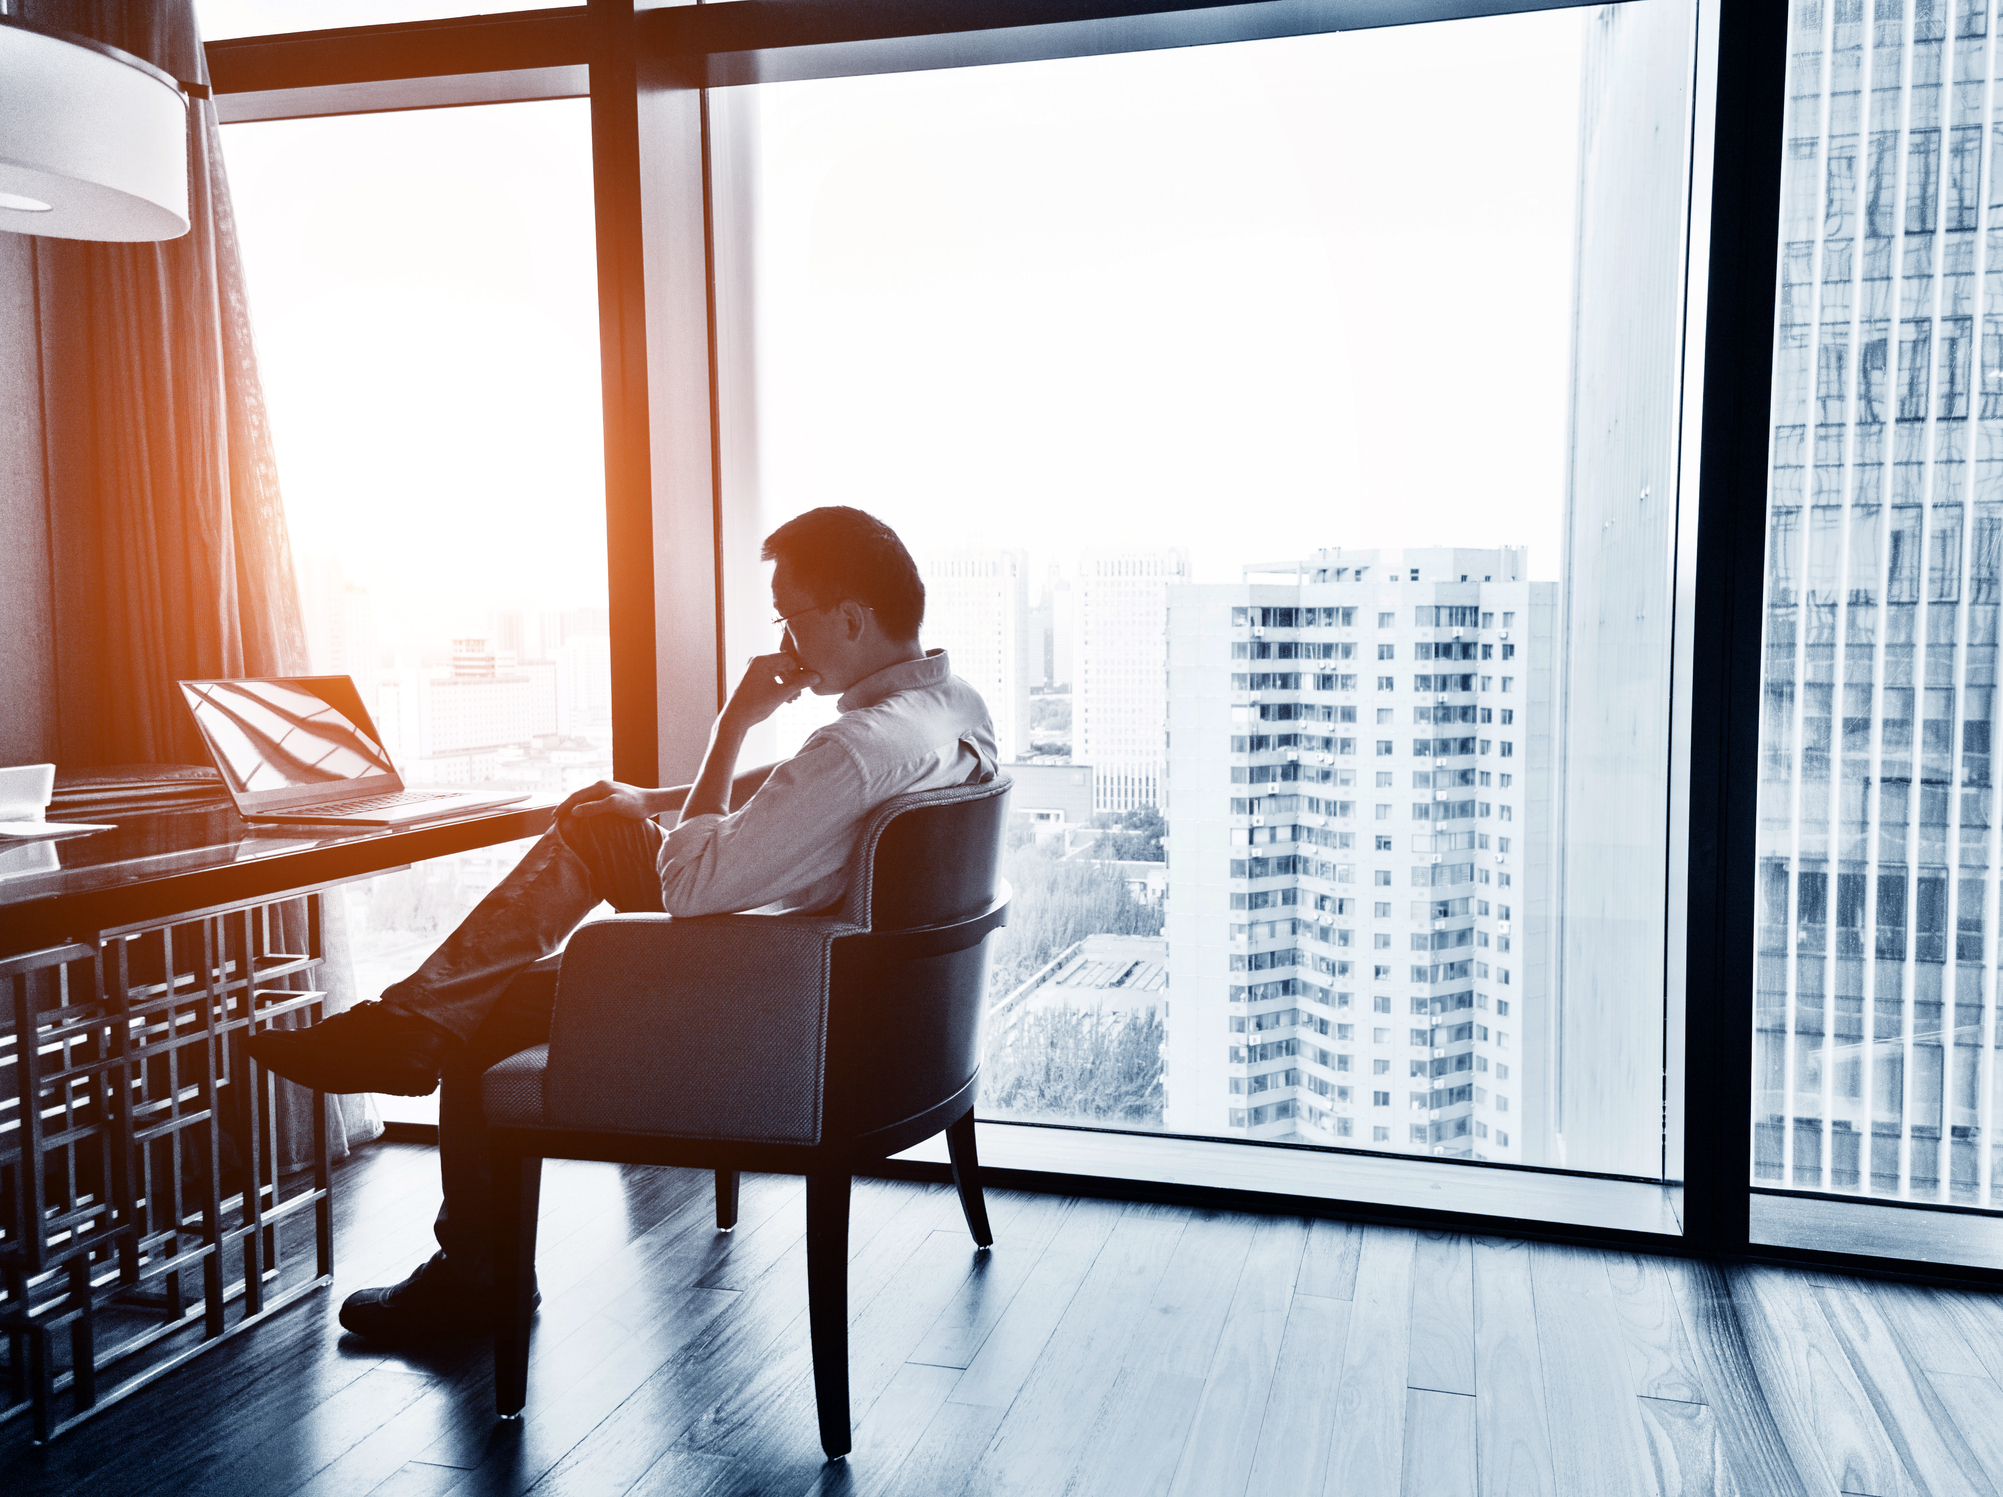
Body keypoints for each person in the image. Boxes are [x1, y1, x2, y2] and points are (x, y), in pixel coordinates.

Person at [249, 507, 996, 1338]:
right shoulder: (946, 707)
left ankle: (471, 1251)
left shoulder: (855, 745)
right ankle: (413, 1026)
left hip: (779, 996)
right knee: (601, 829)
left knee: (483, 1011)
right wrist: (654, 799)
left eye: (791, 617)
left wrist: (730, 723)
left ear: (851, 619)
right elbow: (800, 787)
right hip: (843, 988)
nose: (784, 639)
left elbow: (689, 883)